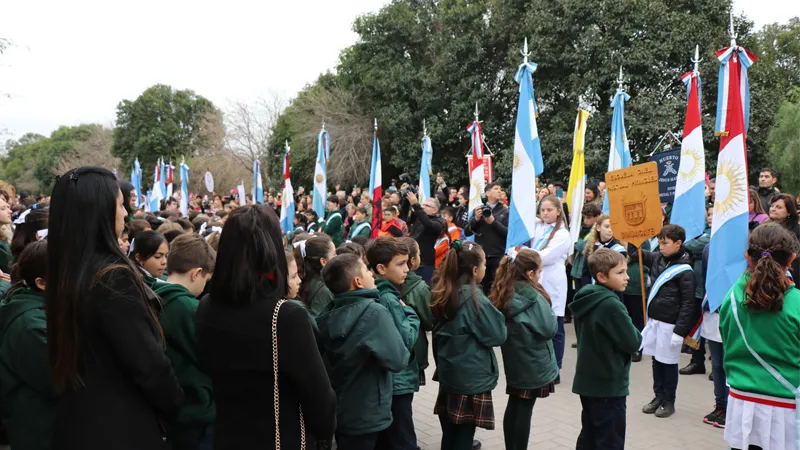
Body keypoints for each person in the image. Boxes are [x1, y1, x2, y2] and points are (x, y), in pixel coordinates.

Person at [46, 167, 183, 449]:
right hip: (120, 427)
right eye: (120, 204)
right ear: (99, 212)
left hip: (78, 422)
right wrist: (175, 404)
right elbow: (147, 363)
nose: (125, 213)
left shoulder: (66, 270)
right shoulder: (111, 277)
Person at [195, 205, 336, 449]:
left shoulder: (206, 305)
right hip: (280, 438)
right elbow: (319, 397)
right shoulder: (286, 316)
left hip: (228, 437)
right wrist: (324, 436)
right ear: (271, 250)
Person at [719, 224, 800, 450]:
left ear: (748, 256)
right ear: (791, 259)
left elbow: (727, 339)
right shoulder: (796, 303)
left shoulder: (732, 297)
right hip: (786, 407)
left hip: (741, 402)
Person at [317, 253, 410, 449]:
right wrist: (409, 316)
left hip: (342, 409)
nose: (371, 274)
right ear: (358, 282)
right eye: (367, 270)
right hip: (369, 411)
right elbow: (398, 360)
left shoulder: (327, 314)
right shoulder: (374, 312)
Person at [431, 241, 507, 449]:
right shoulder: (475, 300)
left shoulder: (442, 291)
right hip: (471, 378)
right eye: (484, 266)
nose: (485, 269)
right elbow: (498, 335)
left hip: (449, 374)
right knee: (464, 435)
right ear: (475, 270)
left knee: (449, 433)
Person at [570, 248, 642, 450]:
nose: (627, 277)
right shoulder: (611, 304)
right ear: (601, 277)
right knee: (610, 440)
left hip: (588, 380)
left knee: (590, 435)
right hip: (608, 382)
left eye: (626, 271)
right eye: (620, 273)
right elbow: (633, 342)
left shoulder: (585, 298)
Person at [488, 249, 558, 450]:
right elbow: (549, 328)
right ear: (530, 273)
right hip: (532, 361)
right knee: (524, 410)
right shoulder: (533, 296)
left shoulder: (505, 289)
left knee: (515, 405)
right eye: (539, 271)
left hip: (515, 359)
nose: (540, 275)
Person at [153, 234, 216, 450]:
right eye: (205, 280)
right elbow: (209, 358)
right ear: (196, 273)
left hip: (170, 411)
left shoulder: (152, 296)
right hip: (195, 412)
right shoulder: (189, 309)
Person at [629, 224, 697, 418]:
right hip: (655, 321)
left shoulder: (685, 271)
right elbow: (635, 254)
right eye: (659, 243)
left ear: (678, 243)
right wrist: (634, 234)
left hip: (670, 325)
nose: (661, 247)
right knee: (656, 361)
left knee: (668, 363)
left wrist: (680, 331)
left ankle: (669, 401)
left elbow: (688, 304)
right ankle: (658, 396)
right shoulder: (658, 258)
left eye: (665, 243)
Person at [0, 241, 56, 450]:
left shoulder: (38, 308)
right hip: (40, 432)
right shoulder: (30, 326)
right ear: (42, 283)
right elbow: (59, 381)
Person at [367, 237, 421, 450]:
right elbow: (405, 340)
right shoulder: (389, 298)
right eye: (400, 264)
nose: (406, 269)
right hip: (398, 382)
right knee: (403, 439)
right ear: (381, 268)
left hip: (389, 381)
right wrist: (410, 313)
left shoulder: (380, 291)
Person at [528, 195, 571, 380]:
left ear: (559, 211)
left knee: (555, 327)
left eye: (549, 210)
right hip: (535, 282)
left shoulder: (562, 234)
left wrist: (523, 254)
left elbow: (545, 257)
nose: (545, 213)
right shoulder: (538, 226)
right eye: (543, 210)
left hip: (552, 283)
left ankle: (555, 368)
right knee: (536, 324)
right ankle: (539, 364)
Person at [680, 206, 713, 376]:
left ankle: (718, 366)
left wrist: (690, 245)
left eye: (714, 214)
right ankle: (696, 360)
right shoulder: (702, 232)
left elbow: (693, 245)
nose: (711, 217)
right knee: (695, 326)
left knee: (715, 330)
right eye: (709, 214)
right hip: (698, 289)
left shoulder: (717, 234)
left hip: (712, 290)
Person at [399, 237, 433, 387]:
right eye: (418, 253)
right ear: (412, 261)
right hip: (413, 350)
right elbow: (429, 321)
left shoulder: (380, 283)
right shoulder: (420, 288)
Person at [464, 182, 509, 294]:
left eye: (500, 189)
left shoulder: (505, 211)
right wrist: (476, 219)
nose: (499, 191)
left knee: (497, 288)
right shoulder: (479, 210)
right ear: (487, 193)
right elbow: (467, 232)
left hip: (498, 256)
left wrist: (493, 222)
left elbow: (508, 234)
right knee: (480, 288)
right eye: (496, 188)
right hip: (481, 256)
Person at [406, 193, 446, 285]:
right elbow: (405, 214)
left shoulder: (439, 222)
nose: (423, 207)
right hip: (411, 259)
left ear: (435, 210)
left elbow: (428, 224)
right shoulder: (419, 217)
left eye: (427, 205)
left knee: (424, 287)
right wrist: (407, 200)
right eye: (422, 205)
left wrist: (416, 205)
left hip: (425, 263)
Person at [294, 234, 336, 315]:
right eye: (334, 254)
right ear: (323, 261)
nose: (337, 257)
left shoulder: (306, 279)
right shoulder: (324, 291)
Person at [767, 193, 800, 279]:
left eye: (779, 207)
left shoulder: (796, 231)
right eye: (772, 206)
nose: (773, 209)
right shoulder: (765, 226)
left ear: (789, 212)